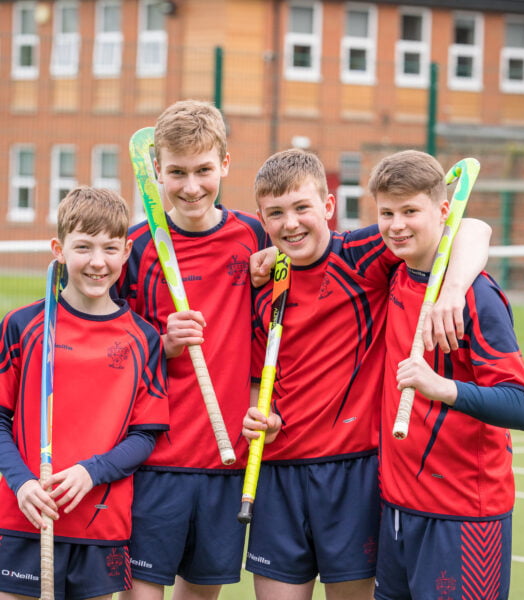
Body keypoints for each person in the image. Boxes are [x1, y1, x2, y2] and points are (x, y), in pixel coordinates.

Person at [242, 148, 491, 600]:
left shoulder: (361, 253)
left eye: (302, 208)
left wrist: (453, 288)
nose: (291, 223)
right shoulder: (265, 282)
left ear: (328, 207)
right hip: (278, 474)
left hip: (353, 472)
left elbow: (471, 226)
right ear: (262, 218)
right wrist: (257, 410)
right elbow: (259, 377)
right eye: (276, 214)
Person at [116, 99, 269, 600]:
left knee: (201, 595)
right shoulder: (135, 249)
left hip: (225, 458)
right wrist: (160, 345)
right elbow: (107, 352)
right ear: (156, 170)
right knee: (140, 593)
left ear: (225, 164)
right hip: (152, 459)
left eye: (204, 170)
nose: (190, 186)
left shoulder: (255, 237)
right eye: (176, 172)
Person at [370, 150, 524, 600]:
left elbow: (522, 406)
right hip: (397, 508)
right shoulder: (394, 273)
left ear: (443, 211)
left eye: (410, 212)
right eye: (387, 213)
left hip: (464, 514)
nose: (396, 225)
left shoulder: (478, 296)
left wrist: (441, 388)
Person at [0, 186, 169, 599]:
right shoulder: (23, 326)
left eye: (110, 248)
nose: (98, 262)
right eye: (83, 247)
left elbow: (145, 434)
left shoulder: (144, 338)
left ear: (126, 251)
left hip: (101, 523)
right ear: (59, 248)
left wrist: (90, 471)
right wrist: (22, 483)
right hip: (25, 519)